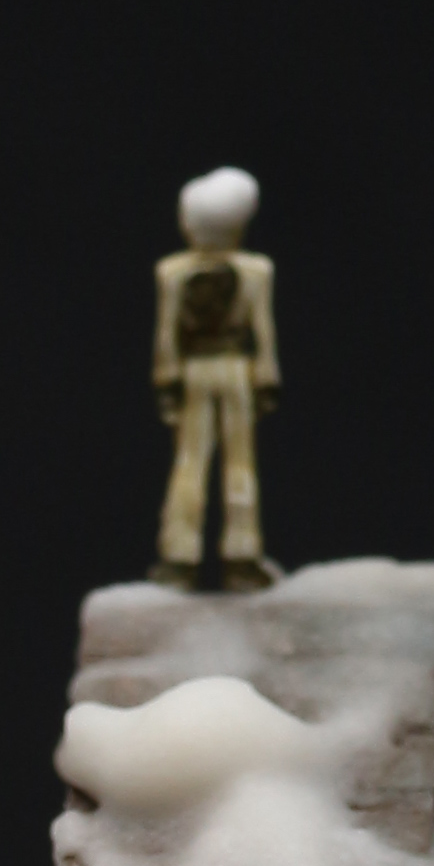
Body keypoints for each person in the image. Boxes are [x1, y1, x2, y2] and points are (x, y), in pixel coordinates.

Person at [149, 167, 281, 589]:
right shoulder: (255, 270)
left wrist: (167, 381)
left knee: (192, 463)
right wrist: (265, 378)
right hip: (233, 371)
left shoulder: (173, 272)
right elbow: (263, 331)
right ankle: (237, 555)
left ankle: (183, 556)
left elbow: (167, 335)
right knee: (237, 463)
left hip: (199, 372)